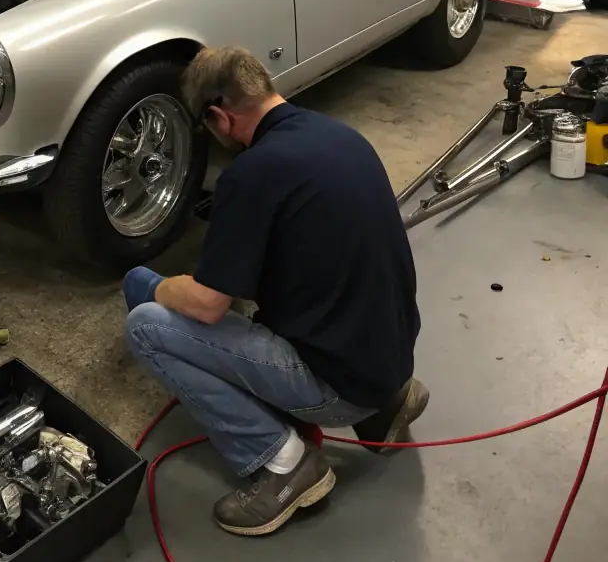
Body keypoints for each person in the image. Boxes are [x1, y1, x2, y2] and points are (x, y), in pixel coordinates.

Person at [124, 45, 427, 537]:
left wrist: (170, 291)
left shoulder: (251, 175)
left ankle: (284, 462)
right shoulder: (339, 136)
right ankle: (385, 406)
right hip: (389, 358)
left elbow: (207, 304)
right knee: (140, 282)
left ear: (220, 118)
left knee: (145, 325)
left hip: (341, 384)